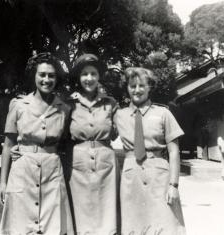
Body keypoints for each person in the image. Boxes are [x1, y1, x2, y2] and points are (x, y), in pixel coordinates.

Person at [0, 53, 74, 235]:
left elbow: (66, 145)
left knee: (52, 226)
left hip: (52, 172)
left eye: (51, 75)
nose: (46, 79)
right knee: (21, 226)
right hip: (23, 171)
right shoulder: (18, 105)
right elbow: (8, 145)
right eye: (42, 74)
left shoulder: (64, 109)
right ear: (34, 76)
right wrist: (2, 183)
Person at [114, 67, 186, 235]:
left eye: (141, 85)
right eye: (132, 86)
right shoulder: (119, 115)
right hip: (132, 179)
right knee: (134, 227)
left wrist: (173, 185)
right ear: (127, 88)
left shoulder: (163, 113)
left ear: (149, 87)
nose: (137, 90)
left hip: (160, 177)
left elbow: (174, 152)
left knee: (165, 226)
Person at [66, 53, 119, 234]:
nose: (89, 78)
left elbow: (121, 130)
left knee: (107, 217)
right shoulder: (69, 103)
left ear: (99, 76)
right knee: (81, 218)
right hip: (78, 166)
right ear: (78, 77)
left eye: (93, 74)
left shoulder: (110, 103)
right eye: (84, 74)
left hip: (107, 166)